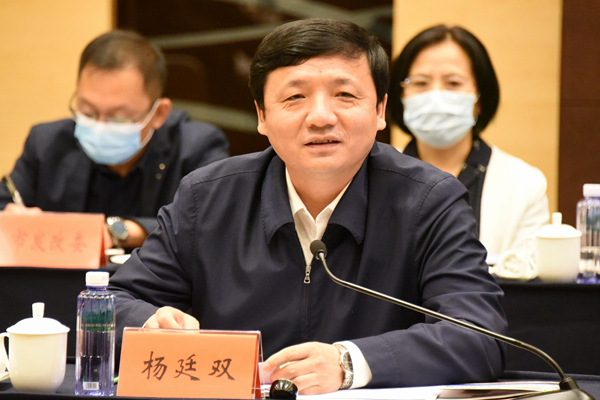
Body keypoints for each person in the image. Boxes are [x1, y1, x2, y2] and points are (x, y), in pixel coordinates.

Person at [108, 19, 507, 394]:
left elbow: (479, 337)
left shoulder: (430, 200)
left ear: (380, 110)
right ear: (262, 115)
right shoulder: (207, 198)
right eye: (295, 97)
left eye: (345, 95)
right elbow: (113, 304)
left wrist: (350, 363)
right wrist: (150, 323)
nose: (320, 117)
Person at [0, 30, 229, 251]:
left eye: (118, 117)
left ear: (158, 114)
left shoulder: (197, 148)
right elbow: (5, 204)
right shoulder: (46, 143)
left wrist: (118, 232)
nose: (100, 126)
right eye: (88, 112)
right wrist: (11, 217)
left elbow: (211, 224)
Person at [388, 25, 549, 269]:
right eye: (420, 83)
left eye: (453, 83)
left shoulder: (525, 184)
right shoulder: (370, 177)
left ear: (479, 99)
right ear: (401, 97)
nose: (436, 96)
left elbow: (524, 279)